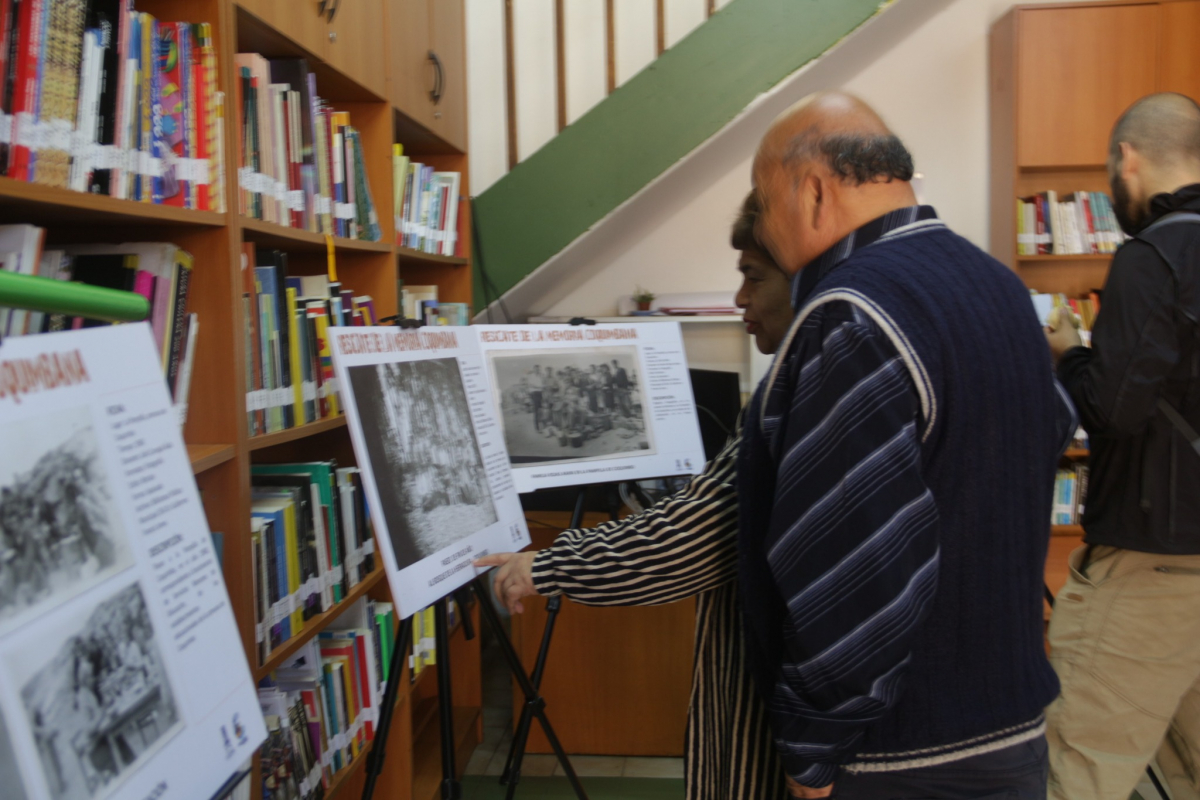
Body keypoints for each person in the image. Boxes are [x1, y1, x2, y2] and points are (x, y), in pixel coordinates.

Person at [742, 92, 1074, 799]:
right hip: (1013, 726)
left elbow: (854, 560)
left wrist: (812, 742)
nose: (763, 228)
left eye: (763, 204)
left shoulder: (850, 312)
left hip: (900, 753)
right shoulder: (999, 285)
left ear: (812, 192)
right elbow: (1046, 436)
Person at [475, 192, 796, 800]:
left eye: (753, 277)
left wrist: (546, 566)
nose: (739, 299)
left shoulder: (798, 384)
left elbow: (700, 533)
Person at [1043, 92, 1200, 800]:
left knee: (1077, 770)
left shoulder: (1154, 255)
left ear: (1126, 160)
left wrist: (1070, 353)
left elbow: (1112, 409)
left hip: (1152, 566)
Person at [528, 366, 545, 431]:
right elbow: (531, 385)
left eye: (538, 369)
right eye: (536, 369)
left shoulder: (541, 376)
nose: (537, 370)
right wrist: (539, 387)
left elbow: (543, 385)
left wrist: (541, 387)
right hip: (534, 394)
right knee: (536, 411)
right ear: (534, 369)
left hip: (540, 393)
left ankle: (542, 426)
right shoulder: (531, 376)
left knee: (541, 410)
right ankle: (537, 427)